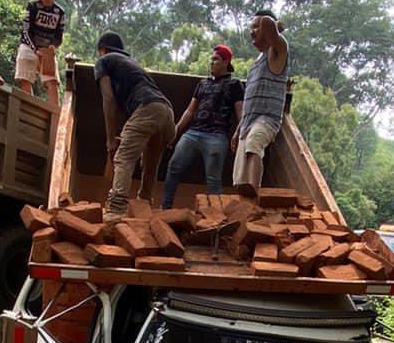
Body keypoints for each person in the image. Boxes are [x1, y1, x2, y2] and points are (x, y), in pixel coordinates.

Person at [94, 32, 175, 219]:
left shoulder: (104, 60)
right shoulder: (132, 65)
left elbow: (108, 99)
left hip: (149, 108)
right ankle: (145, 205)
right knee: (150, 163)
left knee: (124, 157)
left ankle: (116, 208)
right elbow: (134, 116)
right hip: (167, 113)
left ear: (102, 49)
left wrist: (110, 140)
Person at [161, 44, 245, 209]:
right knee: (173, 168)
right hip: (193, 132)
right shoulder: (202, 84)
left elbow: (241, 114)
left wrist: (238, 134)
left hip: (217, 136)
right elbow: (190, 111)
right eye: (211, 59)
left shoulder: (235, 85)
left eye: (216, 59)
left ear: (226, 62)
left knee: (213, 178)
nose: (211, 63)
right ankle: (165, 208)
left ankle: (216, 216)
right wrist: (176, 130)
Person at [233, 12, 289, 191]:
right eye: (251, 27)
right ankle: (245, 210)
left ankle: (254, 194)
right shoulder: (254, 66)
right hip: (247, 123)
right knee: (239, 178)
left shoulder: (277, 52)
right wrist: (237, 130)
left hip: (266, 119)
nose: (252, 31)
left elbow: (267, 22)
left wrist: (275, 27)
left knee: (254, 143)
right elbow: (249, 103)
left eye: (256, 27)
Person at [15, 0, 66, 110]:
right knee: (25, 73)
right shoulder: (32, 6)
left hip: (46, 49)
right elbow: (25, 31)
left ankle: (55, 113)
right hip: (29, 45)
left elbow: (59, 36)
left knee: (52, 81)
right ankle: (29, 108)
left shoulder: (59, 12)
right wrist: (34, 48)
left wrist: (53, 46)